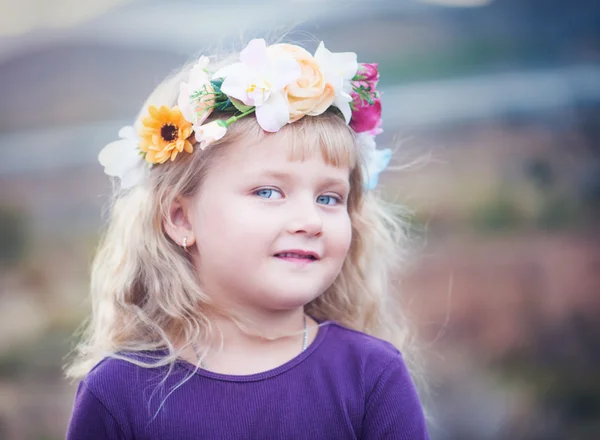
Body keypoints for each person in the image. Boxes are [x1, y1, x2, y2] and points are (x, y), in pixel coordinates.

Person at [65, 38, 429, 439]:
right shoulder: (119, 393)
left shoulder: (371, 377)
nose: (310, 221)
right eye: (268, 192)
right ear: (181, 218)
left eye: (329, 197)